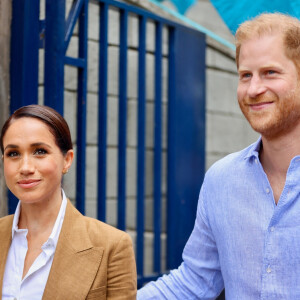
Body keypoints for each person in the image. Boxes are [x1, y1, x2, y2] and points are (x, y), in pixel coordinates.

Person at [138, 12, 300, 299]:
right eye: (245, 75)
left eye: (270, 73)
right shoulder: (221, 179)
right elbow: (193, 282)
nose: (254, 89)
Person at [0, 104, 137, 299]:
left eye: (39, 151)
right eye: (13, 153)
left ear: (67, 160)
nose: (25, 167)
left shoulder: (111, 246)